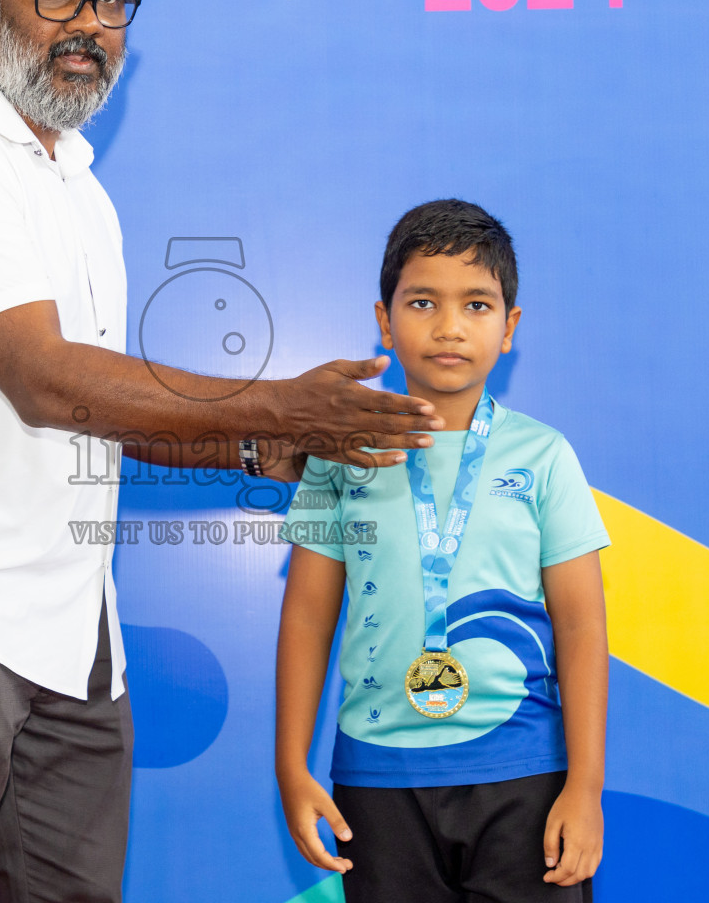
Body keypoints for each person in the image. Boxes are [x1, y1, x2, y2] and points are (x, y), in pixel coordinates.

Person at [0, 0, 442, 903]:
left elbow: (99, 416)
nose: (91, 28)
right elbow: (48, 381)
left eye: (111, 4)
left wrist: (253, 452)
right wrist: (274, 405)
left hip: (74, 645)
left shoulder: (82, 191)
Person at [274, 199, 611, 902]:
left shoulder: (544, 457)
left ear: (509, 327)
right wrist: (291, 766)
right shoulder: (343, 455)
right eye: (423, 302)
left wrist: (584, 786)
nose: (450, 327)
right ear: (384, 321)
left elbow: (581, 626)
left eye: (478, 305)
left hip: (525, 779)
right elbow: (308, 615)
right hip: (377, 783)